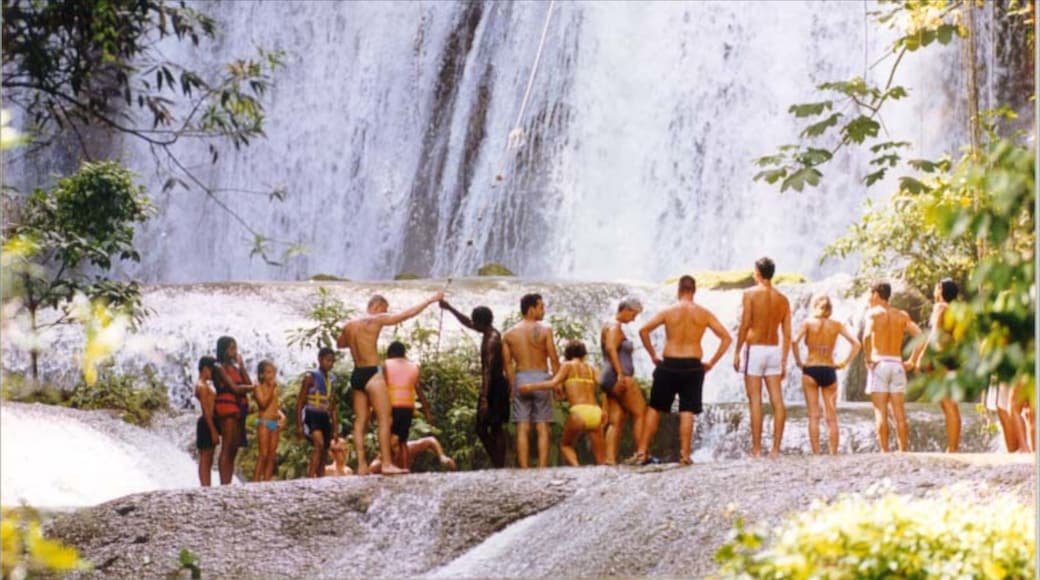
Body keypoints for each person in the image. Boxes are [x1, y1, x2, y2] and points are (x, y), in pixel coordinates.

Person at [337, 291, 443, 475]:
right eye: (384, 309)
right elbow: (405, 315)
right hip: (371, 373)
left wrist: (359, 341)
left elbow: (340, 344)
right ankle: (386, 463)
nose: (385, 313)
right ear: (376, 306)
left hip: (356, 374)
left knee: (360, 422)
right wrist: (429, 300)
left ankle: (361, 465)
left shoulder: (349, 325)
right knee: (385, 418)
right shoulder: (376, 319)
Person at [637, 275, 732, 465]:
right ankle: (685, 456)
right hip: (693, 365)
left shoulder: (668, 311)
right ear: (694, 291)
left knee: (655, 408)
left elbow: (643, 330)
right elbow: (726, 338)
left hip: (669, 363)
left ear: (679, 290)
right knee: (687, 410)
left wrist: (653, 355)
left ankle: (641, 453)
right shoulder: (704, 313)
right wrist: (711, 362)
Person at [733, 257, 792, 458]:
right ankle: (776, 449)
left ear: (758, 272)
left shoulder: (749, 294)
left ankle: (757, 449)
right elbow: (788, 334)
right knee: (777, 401)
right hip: (774, 349)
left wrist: (736, 351)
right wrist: (784, 360)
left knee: (755, 400)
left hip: (755, 349)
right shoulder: (783, 299)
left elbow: (745, 324)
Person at [440, 300, 509, 468]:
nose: (473, 325)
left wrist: (484, 397)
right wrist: (450, 308)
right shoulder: (490, 331)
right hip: (497, 383)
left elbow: (487, 370)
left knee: (484, 427)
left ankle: (499, 463)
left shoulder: (490, 341)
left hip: (494, 385)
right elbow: (467, 322)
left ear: (480, 322)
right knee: (494, 426)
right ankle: (499, 463)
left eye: (475, 322)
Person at [792, 295, 861, 455]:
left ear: (815, 306)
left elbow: (794, 341)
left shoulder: (808, 323)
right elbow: (857, 344)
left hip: (811, 369)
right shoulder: (836, 325)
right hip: (829, 369)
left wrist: (798, 361)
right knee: (831, 417)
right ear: (830, 309)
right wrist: (844, 363)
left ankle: (816, 453)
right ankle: (833, 454)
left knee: (814, 416)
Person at [522, 340, 606, 466]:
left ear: (567, 354)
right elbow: (605, 387)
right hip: (596, 411)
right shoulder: (592, 368)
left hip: (579, 412)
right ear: (584, 354)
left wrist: (530, 387)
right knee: (601, 459)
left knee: (565, 445)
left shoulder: (567, 366)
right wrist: (605, 409)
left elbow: (552, 383)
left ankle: (577, 467)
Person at [863, 281, 925, 453]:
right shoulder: (901, 315)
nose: (868, 297)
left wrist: (868, 358)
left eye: (869, 293)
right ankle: (903, 450)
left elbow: (867, 336)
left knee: (880, 412)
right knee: (899, 413)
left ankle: (885, 451)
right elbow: (921, 336)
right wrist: (912, 360)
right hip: (897, 364)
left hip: (879, 364)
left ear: (876, 294)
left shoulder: (873, 314)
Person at [502, 293, 561, 468]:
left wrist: (512, 386)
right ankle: (542, 468)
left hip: (521, 378)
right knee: (542, 426)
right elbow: (554, 358)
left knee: (522, 426)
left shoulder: (509, 334)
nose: (543, 311)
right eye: (541, 307)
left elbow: (507, 364)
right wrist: (557, 383)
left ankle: (524, 468)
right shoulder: (545, 330)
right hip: (541, 377)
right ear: (531, 308)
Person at [599, 297, 648, 465]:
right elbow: (611, 348)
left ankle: (610, 458)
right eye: (633, 314)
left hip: (607, 377)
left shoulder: (606, 325)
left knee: (616, 419)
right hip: (620, 377)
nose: (634, 318)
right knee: (640, 412)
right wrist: (620, 373)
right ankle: (642, 454)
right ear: (626, 309)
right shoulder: (615, 326)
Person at [918, 278, 962, 452]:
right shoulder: (955, 310)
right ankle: (952, 446)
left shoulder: (940, 307)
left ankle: (952, 448)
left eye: (937, 287)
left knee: (948, 404)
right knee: (949, 404)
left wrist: (923, 355)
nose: (934, 290)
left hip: (939, 357)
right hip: (951, 357)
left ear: (942, 290)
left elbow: (934, 333)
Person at [384, 341, 435, 470]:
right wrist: (428, 411)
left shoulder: (386, 365)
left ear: (391, 353)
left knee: (388, 439)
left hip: (392, 406)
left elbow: (381, 387)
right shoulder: (414, 367)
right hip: (408, 407)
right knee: (402, 441)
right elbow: (419, 390)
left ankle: (392, 466)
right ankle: (406, 468)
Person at [214, 336, 255, 485]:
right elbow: (235, 389)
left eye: (235, 348)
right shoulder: (218, 367)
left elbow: (247, 383)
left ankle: (228, 481)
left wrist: (242, 366)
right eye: (231, 348)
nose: (234, 351)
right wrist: (256, 387)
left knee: (234, 446)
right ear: (223, 350)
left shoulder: (236, 368)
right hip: (227, 410)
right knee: (227, 445)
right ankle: (223, 482)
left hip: (239, 409)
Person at [295, 347, 339, 478]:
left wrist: (335, 427)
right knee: (318, 444)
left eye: (332, 361)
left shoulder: (332, 379)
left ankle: (320, 478)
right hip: (311, 414)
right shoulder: (310, 377)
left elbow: (332, 405)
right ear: (320, 360)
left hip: (324, 416)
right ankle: (310, 477)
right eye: (327, 360)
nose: (330, 364)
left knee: (325, 449)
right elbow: (300, 402)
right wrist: (299, 425)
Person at [253, 360, 285, 481]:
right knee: (263, 454)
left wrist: (282, 416)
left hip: (273, 423)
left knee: (272, 455)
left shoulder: (274, 389)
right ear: (261, 375)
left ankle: (266, 481)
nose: (271, 376)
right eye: (268, 373)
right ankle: (255, 482)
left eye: (273, 372)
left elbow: (275, 406)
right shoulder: (257, 387)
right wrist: (271, 389)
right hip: (264, 423)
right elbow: (263, 404)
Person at [370, 436, 457, 474]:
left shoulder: (408, 448)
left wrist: (442, 456)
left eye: (396, 446)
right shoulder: (378, 463)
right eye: (391, 448)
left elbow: (430, 440)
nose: (395, 450)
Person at [194, 356, 220, 486]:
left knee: (209, 456)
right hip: (206, 422)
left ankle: (207, 484)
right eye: (212, 370)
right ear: (205, 369)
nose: (213, 373)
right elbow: (205, 410)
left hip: (208, 421)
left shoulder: (204, 385)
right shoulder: (202, 386)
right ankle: (205, 486)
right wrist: (213, 431)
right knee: (205, 457)